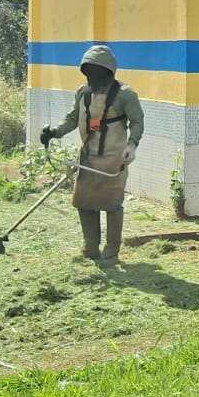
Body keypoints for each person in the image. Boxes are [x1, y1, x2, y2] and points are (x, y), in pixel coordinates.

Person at [39, 45, 144, 264]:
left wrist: (132, 145)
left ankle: (112, 251)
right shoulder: (83, 92)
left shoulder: (125, 94)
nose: (92, 76)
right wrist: (54, 132)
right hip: (88, 157)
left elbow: (137, 121)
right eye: (88, 71)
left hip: (114, 158)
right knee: (84, 201)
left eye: (97, 71)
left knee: (112, 203)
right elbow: (72, 118)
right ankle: (90, 246)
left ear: (107, 71)